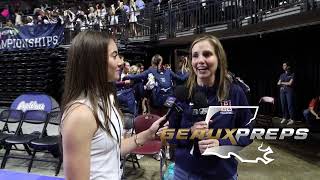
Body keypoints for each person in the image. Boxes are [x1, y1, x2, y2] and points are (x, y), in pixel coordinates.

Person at [61, 31, 165, 180]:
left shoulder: (107, 99)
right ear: (94, 61)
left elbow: (112, 149)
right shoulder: (80, 115)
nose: (120, 62)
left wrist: (148, 134)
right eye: (114, 56)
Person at [161, 35, 252, 179]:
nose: (200, 60)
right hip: (184, 173)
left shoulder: (234, 92)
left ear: (219, 58)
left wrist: (221, 143)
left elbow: (248, 132)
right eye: (195, 56)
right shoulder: (182, 93)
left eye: (207, 54)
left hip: (222, 173)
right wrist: (190, 133)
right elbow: (169, 134)